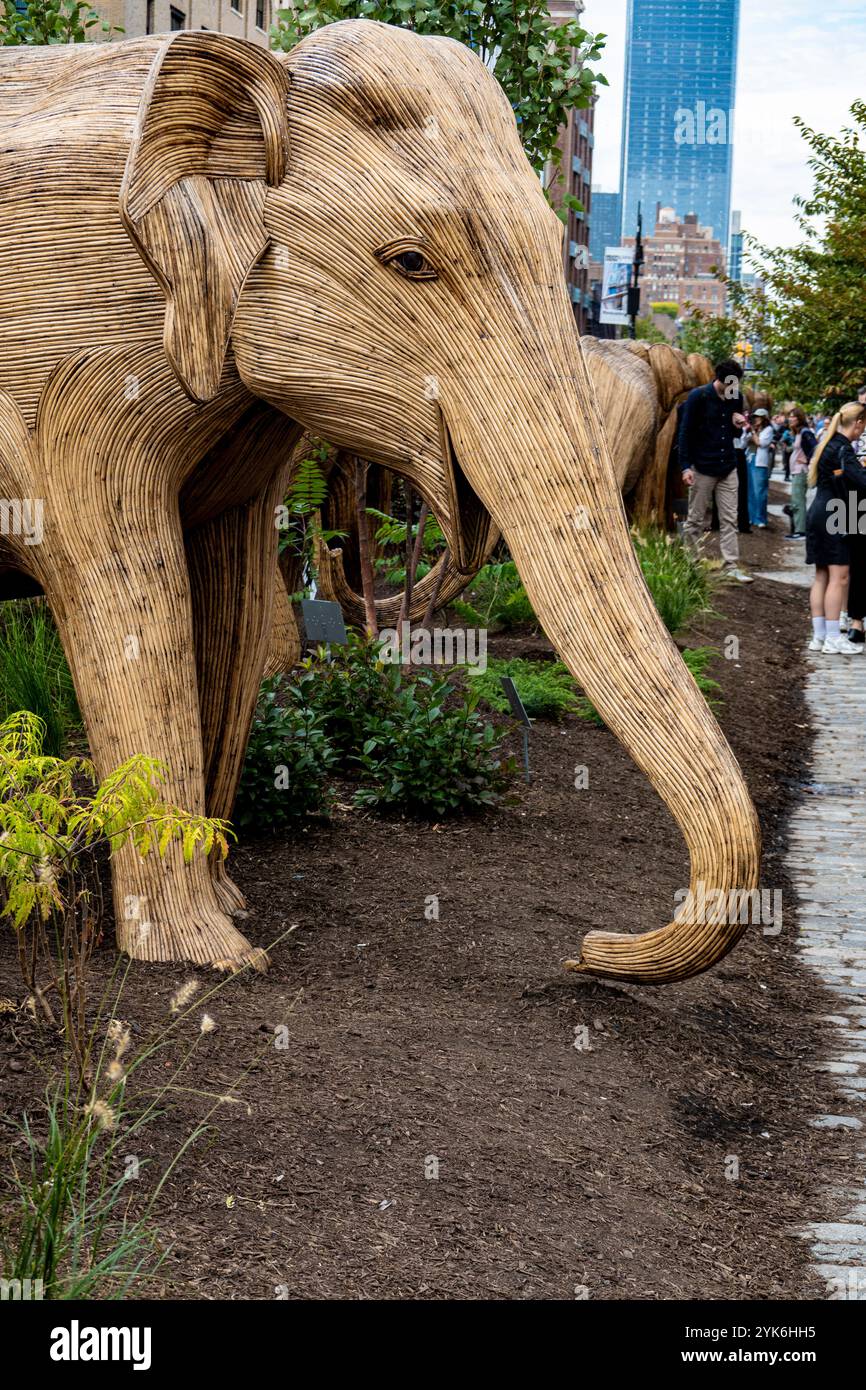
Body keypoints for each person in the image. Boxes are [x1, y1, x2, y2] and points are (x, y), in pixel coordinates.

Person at [680, 359, 753, 582]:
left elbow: (734, 434)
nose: (734, 387)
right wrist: (685, 467)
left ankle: (730, 564)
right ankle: (691, 564)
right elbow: (685, 432)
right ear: (719, 379)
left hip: (728, 465)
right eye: (730, 382)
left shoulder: (735, 398)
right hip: (702, 466)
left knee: (730, 518)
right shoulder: (699, 397)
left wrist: (738, 424)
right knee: (695, 518)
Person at [805, 401, 866, 654]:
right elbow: (861, 483)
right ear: (859, 423)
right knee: (839, 577)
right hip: (835, 515)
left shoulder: (827, 445)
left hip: (818, 512)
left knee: (821, 576)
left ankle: (819, 636)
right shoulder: (843, 449)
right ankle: (832, 638)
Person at [785, 406, 816, 541]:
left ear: (800, 418)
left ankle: (801, 531)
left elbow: (815, 447)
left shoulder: (805, 432)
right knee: (796, 501)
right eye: (790, 416)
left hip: (801, 471)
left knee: (798, 502)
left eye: (794, 416)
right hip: (796, 471)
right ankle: (799, 529)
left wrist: (807, 459)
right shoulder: (798, 432)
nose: (790, 419)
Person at [747, 407, 774, 527]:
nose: (756, 419)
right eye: (755, 417)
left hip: (760, 463)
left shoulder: (768, 430)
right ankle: (751, 517)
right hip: (749, 459)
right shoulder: (754, 430)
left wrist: (752, 432)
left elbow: (760, 443)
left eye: (758, 417)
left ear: (764, 419)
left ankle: (761, 519)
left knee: (760, 492)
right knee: (750, 491)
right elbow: (743, 442)